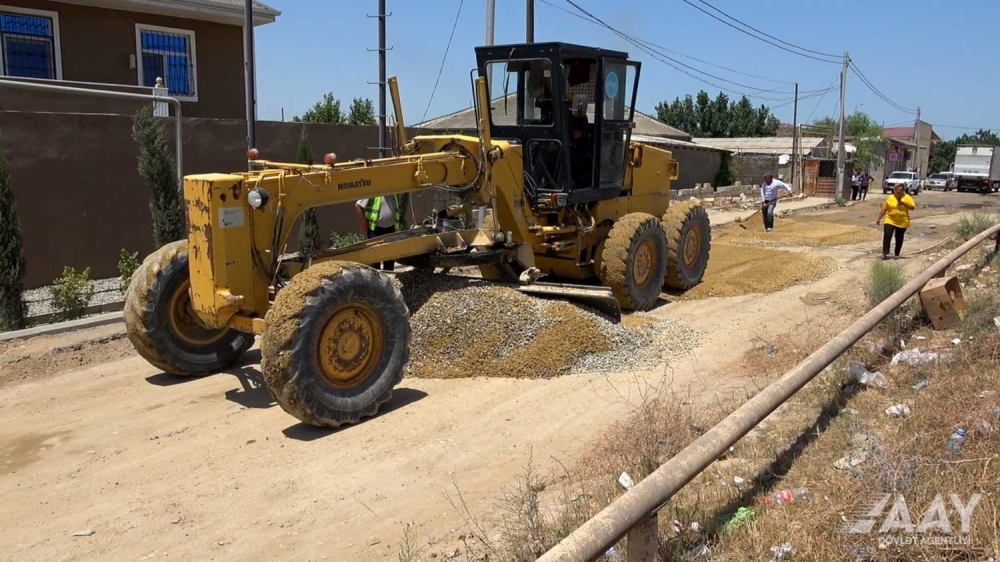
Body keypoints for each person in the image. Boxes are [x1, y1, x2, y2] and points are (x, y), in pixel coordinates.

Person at [355, 195, 404, 270]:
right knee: (375, 256)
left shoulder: (393, 194)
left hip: (390, 229)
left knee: (389, 255)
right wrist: (363, 222)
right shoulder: (374, 192)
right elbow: (358, 205)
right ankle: (376, 275)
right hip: (376, 230)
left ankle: (388, 274)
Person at [875, 184, 916, 260]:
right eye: (897, 189)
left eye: (901, 190)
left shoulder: (907, 197)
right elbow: (884, 209)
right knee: (887, 234)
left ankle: (897, 253)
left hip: (902, 221)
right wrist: (879, 218)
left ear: (903, 190)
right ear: (894, 190)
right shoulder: (890, 198)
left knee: (899, 237)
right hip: (890, 220)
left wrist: (903, 203)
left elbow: (912, 207)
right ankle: (885, 253)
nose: (899, 191)